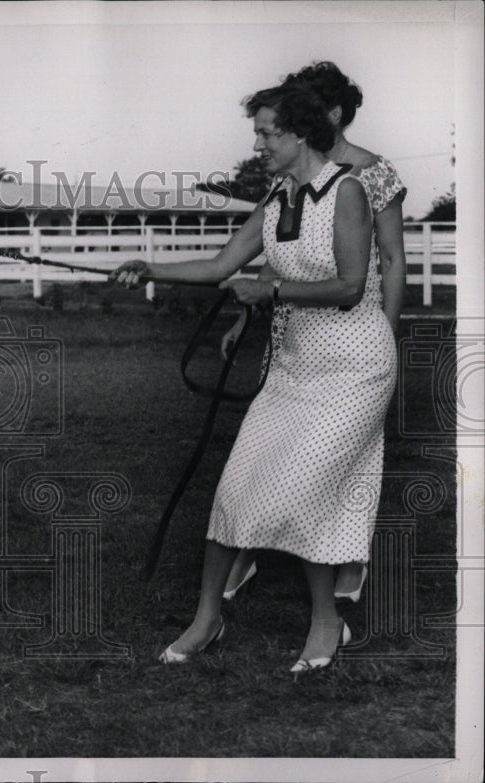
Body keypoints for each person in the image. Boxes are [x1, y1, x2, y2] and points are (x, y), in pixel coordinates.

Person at [113, 82, 396, 672]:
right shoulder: (277, 196)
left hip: (354, 369)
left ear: (302, 134)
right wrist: (151, 268)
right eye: (258, 132)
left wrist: (270, 289)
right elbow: (222, 263)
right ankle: (207, 618)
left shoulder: (347, 192)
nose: (260, 142)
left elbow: (349, 286)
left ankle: (326, 623)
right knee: (235, 489)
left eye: (268, 132)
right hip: (291, 368)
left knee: (306, 492)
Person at [222, 61, 408, 604]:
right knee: (275, 445)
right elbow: (276, 252)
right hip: (295, 325)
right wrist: (244, 314)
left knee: (345, 453)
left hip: (353, 325)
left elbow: (392, 259)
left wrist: (387, 334)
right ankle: (246, 548)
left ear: (330, 113)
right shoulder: (291, 174)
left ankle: (348, 565)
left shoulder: (372, 174)